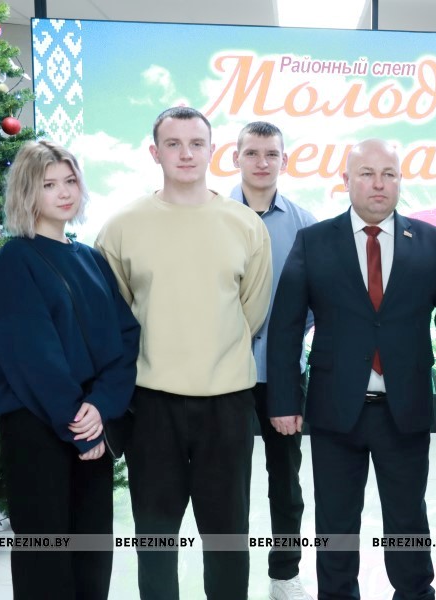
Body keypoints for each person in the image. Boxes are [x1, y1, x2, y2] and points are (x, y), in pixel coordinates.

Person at [266, 138, 436, 599]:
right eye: (366, 173)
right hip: (334, 410)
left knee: (408, 521)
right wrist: (283, 400)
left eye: (388, 174)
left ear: (400, 181)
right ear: (346, 180)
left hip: (406, 409)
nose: (378, 184)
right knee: (335, 525)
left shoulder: (430, 241)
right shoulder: (314, 241)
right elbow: (285, 327)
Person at [95, 107, 273, 599]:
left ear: (212, 150)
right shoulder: (123, 226)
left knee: (228, 535)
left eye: (196, 143)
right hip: (152, 405)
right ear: (155, 153)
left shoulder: (244, 225)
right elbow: (116, 315)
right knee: (154, 537)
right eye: (173, 144)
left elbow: (252, 311)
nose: (186, 153)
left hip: (227, 403)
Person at [0, 140, 140, 599]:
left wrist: (102, 406)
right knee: (46, 553)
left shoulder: (91, 258)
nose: (64, 192)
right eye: (49, 184)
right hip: (39, 425)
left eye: (70, 181)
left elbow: (125, 337)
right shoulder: (15, 260)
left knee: (92, 550)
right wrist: (80, 425)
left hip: (92, 418)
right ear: (27, 193)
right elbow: (31, 356)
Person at [230, 121, 316, 600]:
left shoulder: (304, 223)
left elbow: (316, 298)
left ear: (285, 160)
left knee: (285, 480)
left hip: (283, 375)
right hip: (224, 375)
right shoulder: (213, 215)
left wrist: (286, 339)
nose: (262, 162)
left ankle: (285, 573)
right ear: (236, 158)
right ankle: (231, 576)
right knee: (229, 482)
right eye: (252, 153)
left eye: (271, 154)